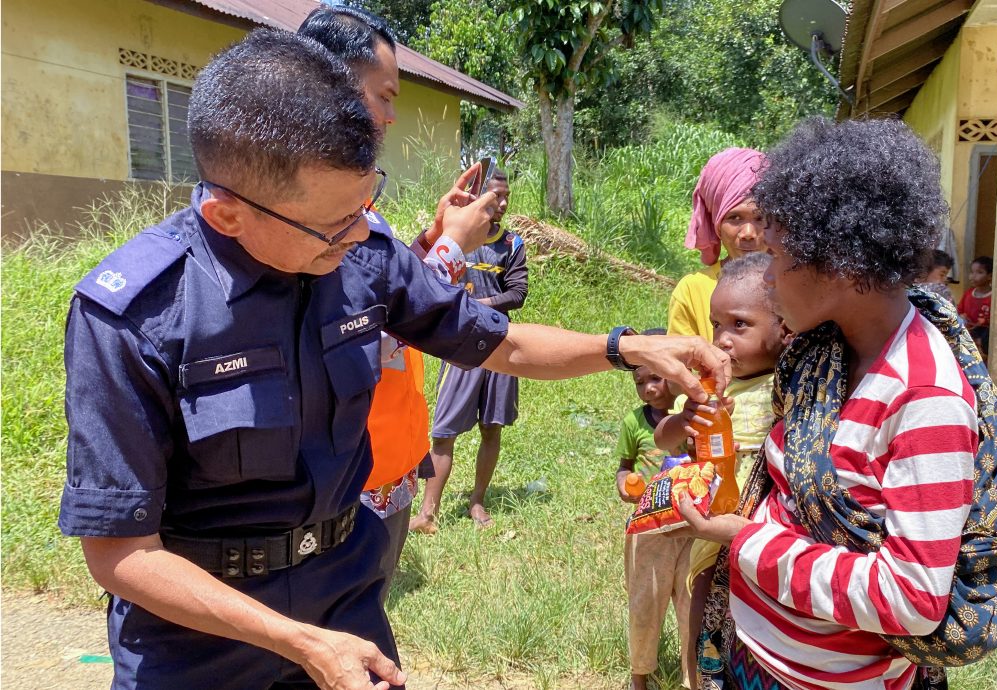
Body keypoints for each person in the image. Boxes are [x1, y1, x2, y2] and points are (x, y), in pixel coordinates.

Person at [58, 30, 732, 690]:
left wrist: (624, 347)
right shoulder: (134, 316)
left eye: (366, 205)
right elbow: (121, 553)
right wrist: (298, 641)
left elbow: (501, 343)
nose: (359, 236)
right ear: (230, 214)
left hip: (344, 593)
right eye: (331, 227)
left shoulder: (362, 249)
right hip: (199, 636)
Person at [677, 118, 997, 690]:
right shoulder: (824, 353)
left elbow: (912, 600)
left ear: (835, 261)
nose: (768, 280)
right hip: (763, 655)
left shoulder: (923, 399)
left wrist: (743, 539)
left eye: (779, 258)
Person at [297, 2, 491, 604]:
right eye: (383, 96)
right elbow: (367, 330)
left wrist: (430, 240)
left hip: (391, 456)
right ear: (329, 90)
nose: (389, 116)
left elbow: (378, 288)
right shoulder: (301, 214)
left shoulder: (357, 204)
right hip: (352, 477)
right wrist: (455, 250)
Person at [654, 252, 787, 689]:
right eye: (715, 325)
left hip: (762, 526)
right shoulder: (709, 386)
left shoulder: (786, 385)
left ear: (784, 327)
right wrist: (685, 417)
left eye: (740, 324)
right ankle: (698, 679)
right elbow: (663, 440)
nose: (723, 339)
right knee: (702, 602)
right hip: (713, 521)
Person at [410, 170, 528, 532]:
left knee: (491, 429)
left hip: (499, 344)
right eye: (496, 196)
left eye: (507, 196)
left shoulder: (511, 245)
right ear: (479, 197)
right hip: (460, 346)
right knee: (444, 431)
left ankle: (477, 501)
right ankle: (428, 513)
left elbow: (518, 294)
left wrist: (481, 302)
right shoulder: (458, 240)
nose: (503, 203)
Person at [612, 328, 690, 690]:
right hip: (649, 528)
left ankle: (696, 675)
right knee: (645, 603)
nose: (649, 389)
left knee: (693, 605)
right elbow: (625, 466)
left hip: (694, 529)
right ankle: (640, 675)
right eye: (640, 382)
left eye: (656, 378)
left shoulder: (697, 418)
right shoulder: (634, 422)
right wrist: (623, 482)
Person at [667, 148, 767, 342]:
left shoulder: (797, 283)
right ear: (717, 225)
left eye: (760, 217)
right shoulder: (692, 291)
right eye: (734, 218)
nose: (748, 233)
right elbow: (680, 367)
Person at [957, 255, 992, 340]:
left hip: (985, 339)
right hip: (967, 336)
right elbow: (959, 311)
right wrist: (962, 317)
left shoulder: (993, 298)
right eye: (972, 272)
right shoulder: (968, 293)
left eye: (979, 272)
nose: (973, 276)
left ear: (990, 276)